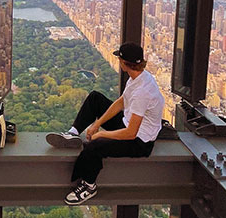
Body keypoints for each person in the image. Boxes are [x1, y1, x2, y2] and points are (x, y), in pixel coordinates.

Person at [46, 42, 163, 204]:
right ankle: (72, 133)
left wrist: (101, 133)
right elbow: (121, 102)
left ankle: (89, 186)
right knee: (95, 98)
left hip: (139, 142)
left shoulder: (142, 93)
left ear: (123, 63)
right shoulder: (140, 77)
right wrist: (97, 123)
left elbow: (131, 133)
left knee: (94, 146)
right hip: (128, 124)